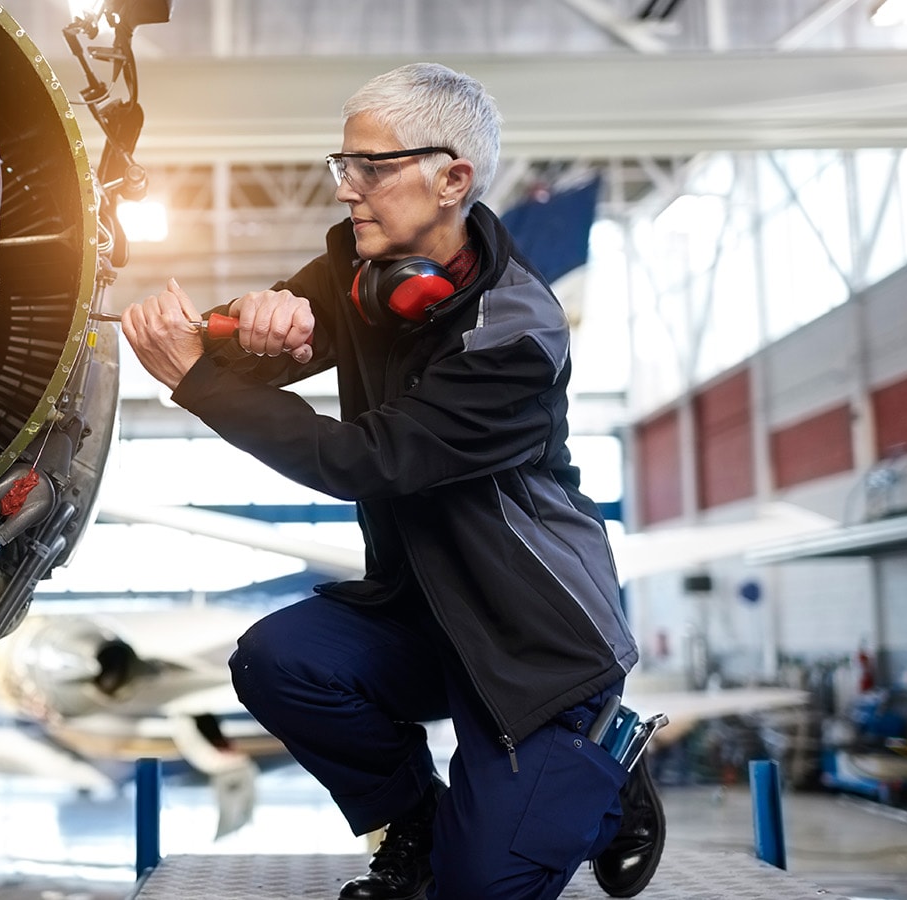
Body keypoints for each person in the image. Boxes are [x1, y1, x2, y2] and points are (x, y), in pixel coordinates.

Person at [117, 63, 664, 900]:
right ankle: (413, 825)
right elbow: (258, 354)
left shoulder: (514, 334)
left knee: (479, 892)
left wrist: (196, 380)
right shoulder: (363, 269)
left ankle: (605, 779)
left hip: (533, 642)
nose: (348, 191)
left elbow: (364, 460)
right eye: (344, 166)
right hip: (423, 613)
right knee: (279, 660)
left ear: (453, 179)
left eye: (372, 168)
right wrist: (257, 323)